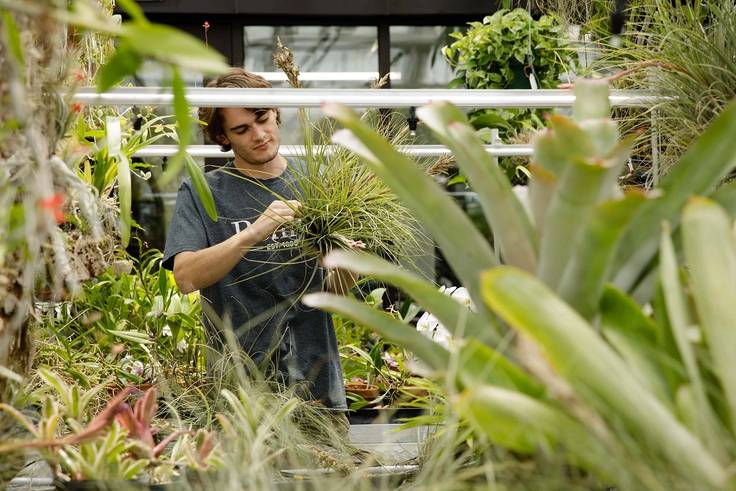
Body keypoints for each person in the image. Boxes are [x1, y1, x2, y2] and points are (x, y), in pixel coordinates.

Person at [162, 67, 353, 411]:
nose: (259, 134)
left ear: (275, 112)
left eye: (262, 118)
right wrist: (253, 233)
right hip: (240, 399)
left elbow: (333, 292)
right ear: (223, 138)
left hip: (319, 391)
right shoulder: (203, 192)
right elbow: (186, 276)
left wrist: (348, 264)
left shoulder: (316, 181)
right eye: (241, 129)